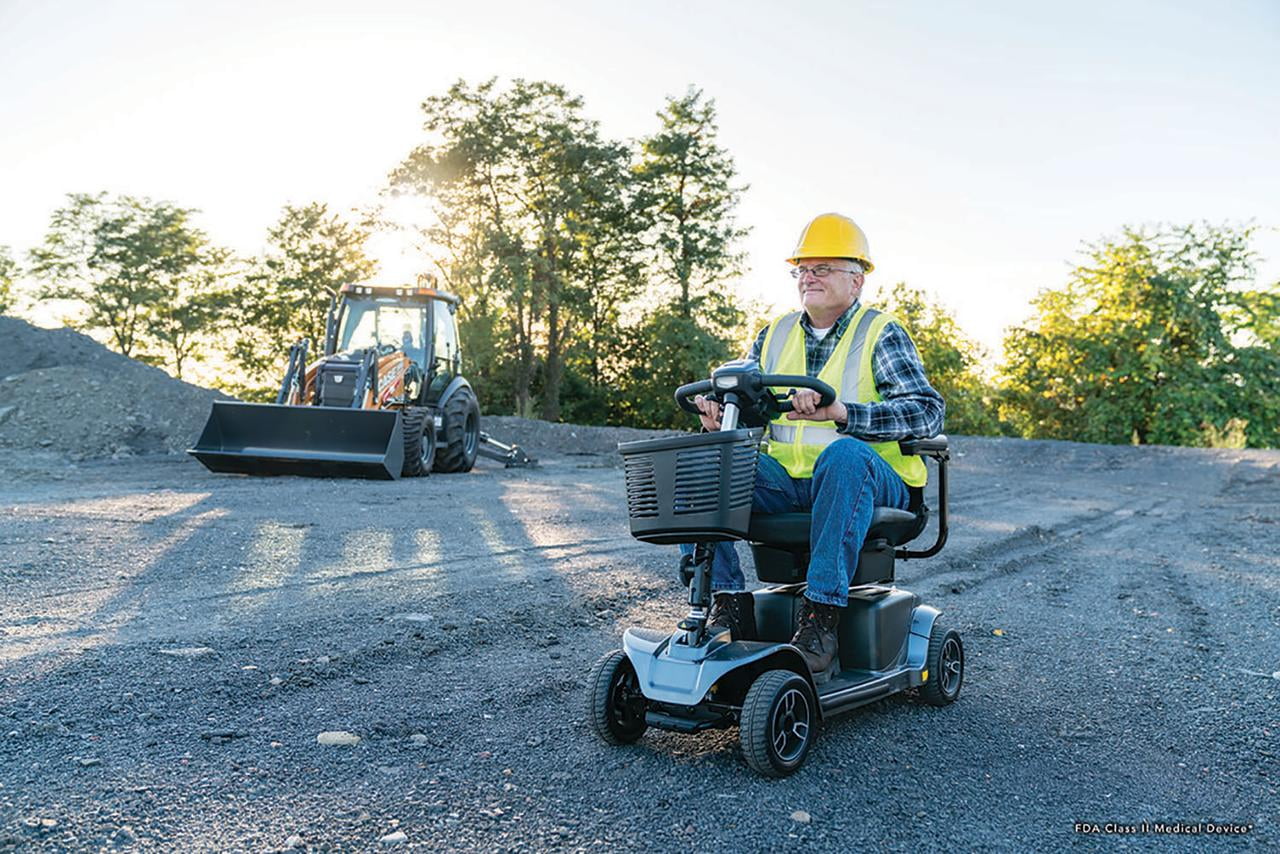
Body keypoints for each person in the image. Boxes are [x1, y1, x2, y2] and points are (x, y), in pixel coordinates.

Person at [691, 212, 945, 678]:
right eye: (803, 269)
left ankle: (820, 622)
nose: (808, 277)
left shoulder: (880, 332)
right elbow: (753, 411)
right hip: (789, 483)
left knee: (843, 454)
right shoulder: (773, 334)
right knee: (709, 462)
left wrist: (843, 413)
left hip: (875, 483)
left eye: (822, 268)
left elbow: (927, 412)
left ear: (857, 279)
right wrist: (720, 418)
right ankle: (728, 606)